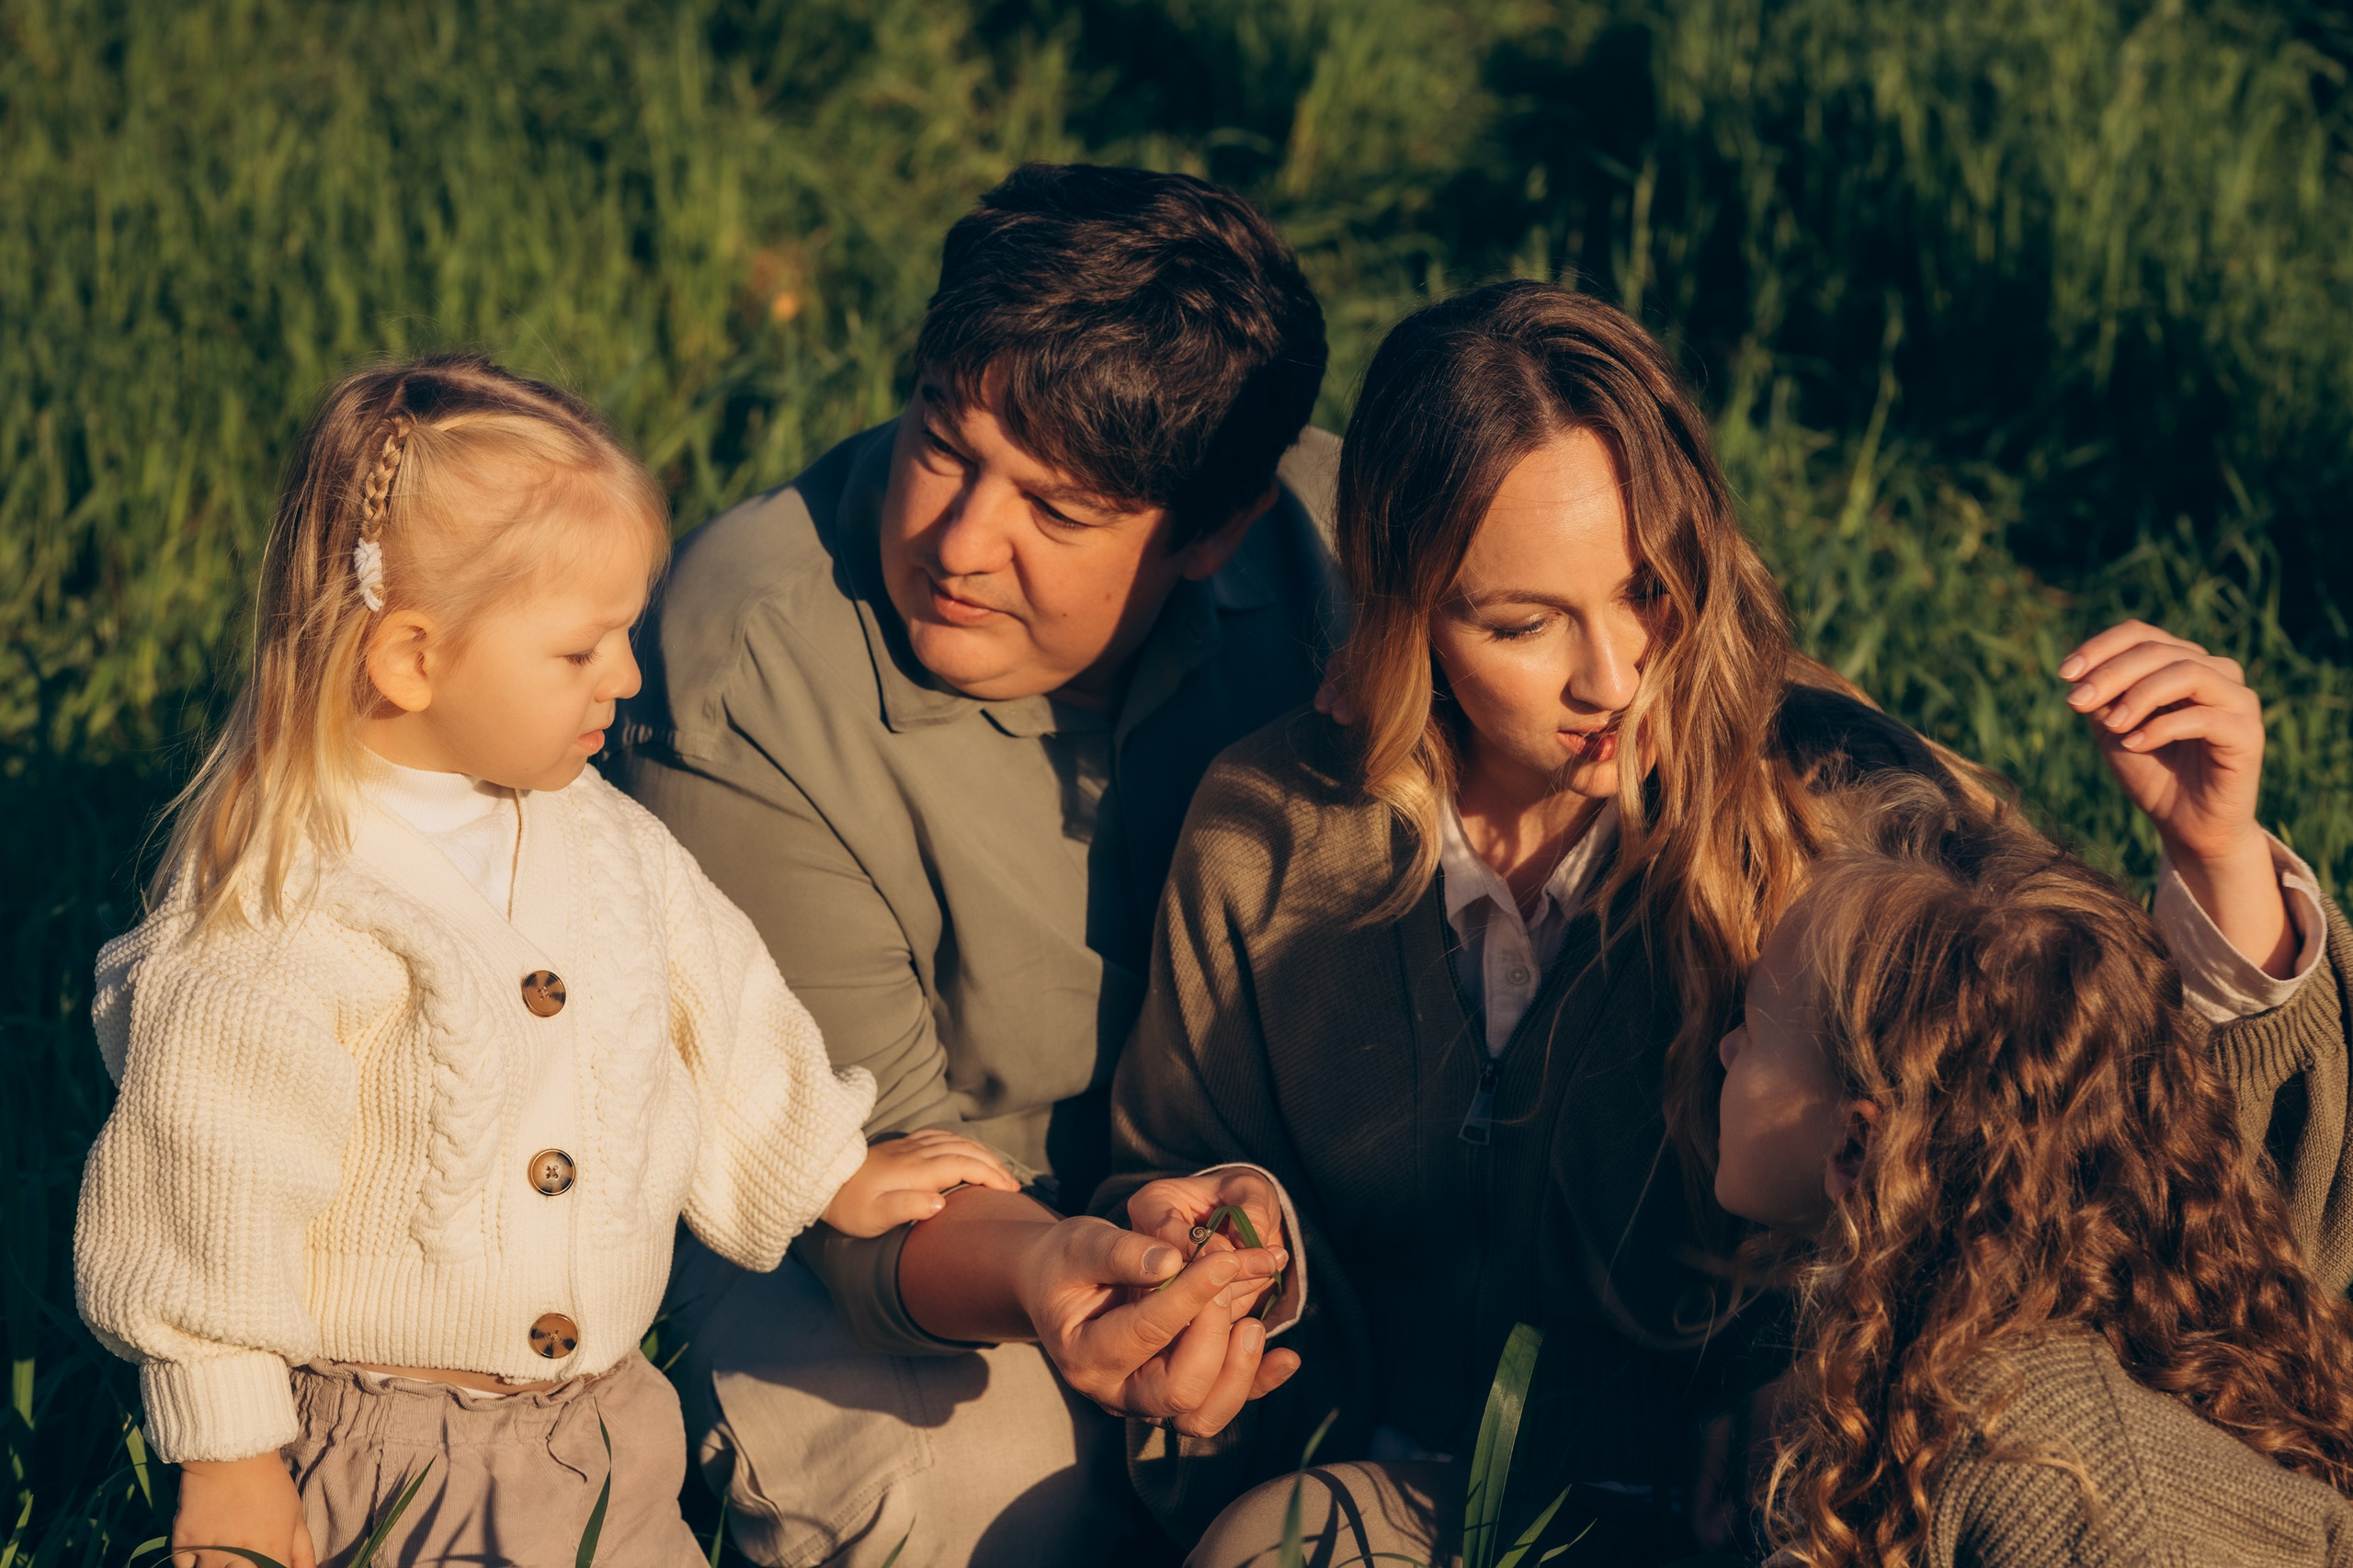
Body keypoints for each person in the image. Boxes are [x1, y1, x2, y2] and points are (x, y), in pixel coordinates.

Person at [1110, 280, 2350, 1565]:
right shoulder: (1266, 831)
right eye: (1522, 623)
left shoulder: (1840, 804)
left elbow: (2163, 1208)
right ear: (1402, 609)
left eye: (1648, 589)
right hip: (1413, 1465)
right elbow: (1170, 1157)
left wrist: (2220, 868)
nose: (1612, 674)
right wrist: (1217, 1241)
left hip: (1770, 1508)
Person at [74, 356, 1014, 1568]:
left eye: (626, 633)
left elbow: (716, 1011)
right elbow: (206, 1184)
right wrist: (230, 1454)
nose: (626, 674)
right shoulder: (284, 899)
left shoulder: (605, 836)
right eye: (582, 650)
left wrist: (825, 1167)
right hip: (381, 1449)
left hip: (606, 1432)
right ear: (412, 658)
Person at [618, 163, 1324, 1566]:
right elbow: (860, 1181)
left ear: (1214, 532)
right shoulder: (746, 669)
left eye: (1056, 512)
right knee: (990, 1498)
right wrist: (1063, 1274)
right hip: (850, 1208)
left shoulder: (1321, 538)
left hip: (1239, 1168)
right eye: (944, 442)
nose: (957, 541)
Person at [1716, 778, 2353, 1567]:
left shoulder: (2046, 1457)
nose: (1725, 1049)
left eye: (1749, 1024)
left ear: (1857, 1148)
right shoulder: (1953, 1361)